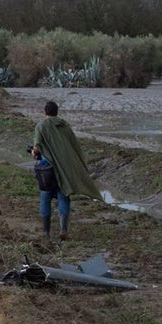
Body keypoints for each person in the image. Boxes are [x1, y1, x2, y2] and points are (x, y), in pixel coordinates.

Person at [31, 100, 101, 240]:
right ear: (57, 112)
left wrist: (33, 153)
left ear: (45, 112)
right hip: (65, 167)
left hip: (47, 168)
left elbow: (37, 147)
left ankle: (46, 232)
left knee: (45, 197)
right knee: (64, 196)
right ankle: (63, 230)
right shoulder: (65, 126)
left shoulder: (41, 125)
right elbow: (74, 146)